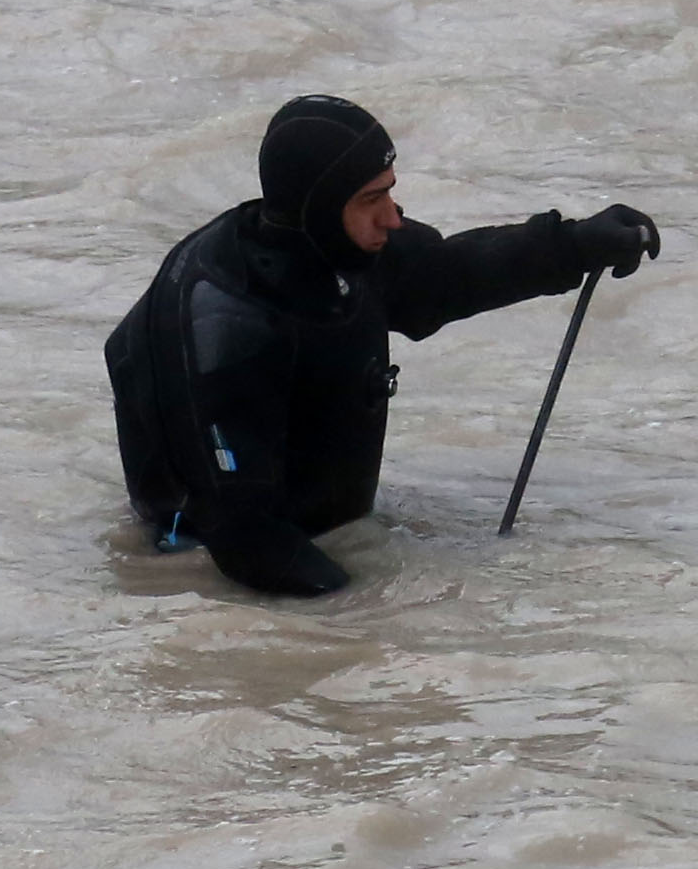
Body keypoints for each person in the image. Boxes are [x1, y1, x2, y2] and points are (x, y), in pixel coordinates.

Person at [106, 96, 656, 597]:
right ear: (320, 207)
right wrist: (374, 622)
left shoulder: (338, 248)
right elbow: (245, 537)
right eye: (373, 197)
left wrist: (574, 246)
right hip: (207, 564)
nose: (394, 216)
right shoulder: (226, 327)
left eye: (390, 190)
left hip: (322, 531)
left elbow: (445, 277)